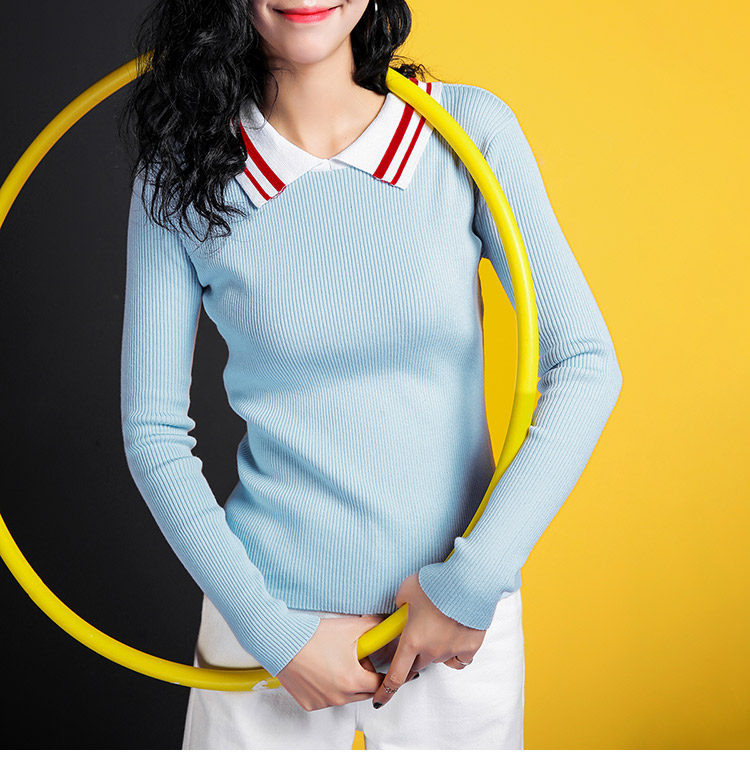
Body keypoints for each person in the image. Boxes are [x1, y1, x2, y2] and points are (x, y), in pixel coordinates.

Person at [118, 0, 623, 750]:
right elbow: (153, 433)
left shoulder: (468, 132)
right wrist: (272, 633)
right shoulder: (179, 169)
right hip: (264, 643)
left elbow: (583, 365)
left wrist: (471, 581)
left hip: (451, 636)